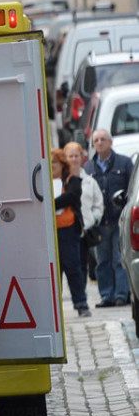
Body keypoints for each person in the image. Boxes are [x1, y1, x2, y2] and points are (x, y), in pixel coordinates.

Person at [84, 129, 134, 307]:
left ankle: (122, 294)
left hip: (120, 220)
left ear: (110, 142)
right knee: (102, 261)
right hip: (100, 222)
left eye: (103, 139)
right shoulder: (88, 167)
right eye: (96, 140)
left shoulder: (125, 163)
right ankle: (106, 295)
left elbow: (131, 189)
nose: (99, 143)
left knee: (120, 258)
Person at [51, 149, 89, 316]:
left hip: (68, 230)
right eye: (49, 163)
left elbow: (72, 197)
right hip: (50, 231)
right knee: (54, 271)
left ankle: (81, 304)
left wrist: (50, 204)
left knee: (73, 267)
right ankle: (55, 309)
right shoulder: (42, 181)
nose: (51, 166)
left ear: (62, 164)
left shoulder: (71, 180)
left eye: (54, 163)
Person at [65, 142, 103, 282]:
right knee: (70, 267)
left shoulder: (90, 181)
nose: (74, 159)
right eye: (70, 156)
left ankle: (81, 299)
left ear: (81, 157)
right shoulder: (61, 181)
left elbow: (98, 204)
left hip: (84, 231)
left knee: (83, 266)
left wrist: (93, 219)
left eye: (76, 156)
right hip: (67, 231)